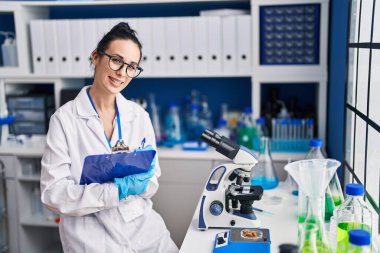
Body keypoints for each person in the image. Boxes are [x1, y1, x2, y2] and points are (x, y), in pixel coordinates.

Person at [40, 22, 179, 253]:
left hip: (143, 230)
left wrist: (143, 182)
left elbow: (151, 182)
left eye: (131, 67)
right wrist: (117, 190)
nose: (122, 73)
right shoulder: (64, 120)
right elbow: (53, 194)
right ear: (96, 57)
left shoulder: (139, 116)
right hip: (91, 237)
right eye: (116, 60)